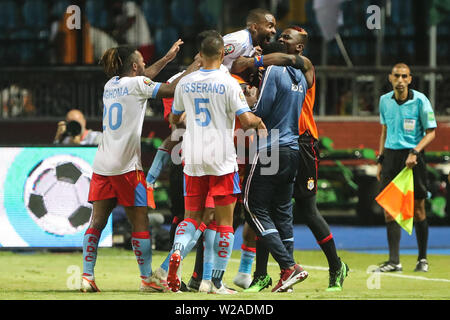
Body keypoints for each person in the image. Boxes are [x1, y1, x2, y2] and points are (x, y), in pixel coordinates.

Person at [80, 40, 190, 293]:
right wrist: (197, 67)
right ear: (134, 65)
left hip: (102, 163)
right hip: (128, 167)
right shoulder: (138, 84)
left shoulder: (111, 85)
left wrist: (165, 60)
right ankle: (147, 279)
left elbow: (143, 79)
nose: (145, 63)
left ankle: (87, 276)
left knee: (96, 222)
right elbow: (171, 88)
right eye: (143, 60)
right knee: (140, 222)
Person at [166, 32, 266, 294]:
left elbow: (174, 120)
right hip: (221, 159)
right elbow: (246, 122)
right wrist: (258, 121)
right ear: (223, 53)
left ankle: (177, 253)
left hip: (192, 157)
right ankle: (217, 282)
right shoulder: (228, 82)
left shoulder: (185, 84)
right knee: (224, 222)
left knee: (191, 218)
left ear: (199, 54)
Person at [242, 29, 310, 293]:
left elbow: (261, 112)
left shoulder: (274, 71)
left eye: (287, 38)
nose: (281, 40)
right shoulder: (302, 78)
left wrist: (244, 103)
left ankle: (288, 266)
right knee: (283, 213)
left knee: (252, 206)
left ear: (299, 47)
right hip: (292, 149)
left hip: (271, 147)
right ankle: (288, 278)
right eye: (281, 37)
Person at [375, 63, 437, 273]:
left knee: (418, 210)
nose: (400, 80)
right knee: (390, 209)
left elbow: (431, 132)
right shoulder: (384, 101)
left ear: (410, 79)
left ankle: (422, 259)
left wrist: (416, 152)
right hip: (391, 157)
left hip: (414, 159)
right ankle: (394, 261)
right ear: (390, 78)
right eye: (396, 76)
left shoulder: (420, 100)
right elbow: (384, 130)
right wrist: (380, 160)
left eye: (404, 76)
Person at [222, 8, 276, 73]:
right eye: (270, 27)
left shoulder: (252, 44)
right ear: (254, 27)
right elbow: (210, 57)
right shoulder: (239, 41)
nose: (274, 31)